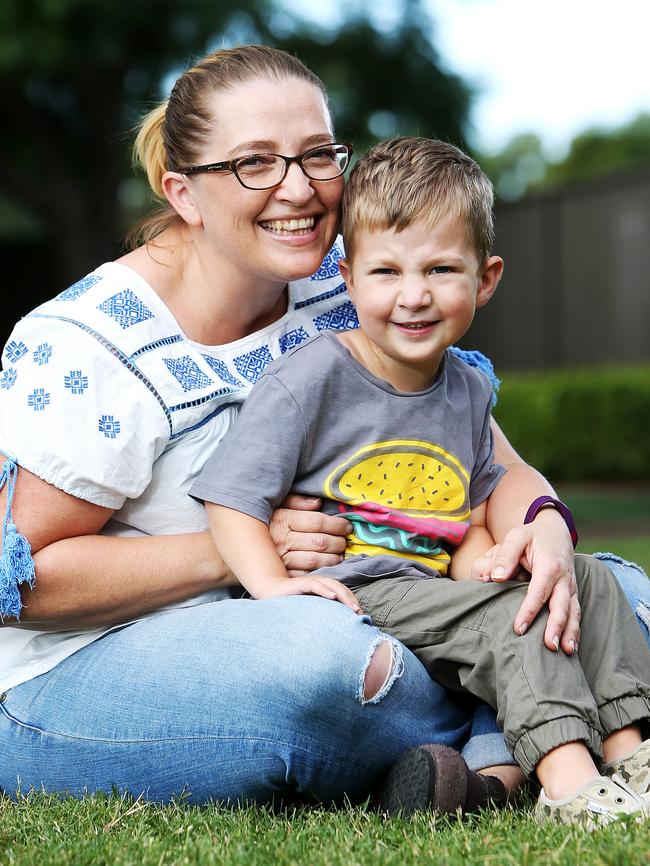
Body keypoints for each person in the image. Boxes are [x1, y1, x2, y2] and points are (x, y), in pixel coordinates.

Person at [0, 45, 647, 811]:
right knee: (332, 666)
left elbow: (493, 462)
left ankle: (476, 773)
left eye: (317, 154)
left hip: (360, 601)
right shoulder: (91, 341)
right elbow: (25, 582)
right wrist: (237, 552)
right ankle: (515, 741)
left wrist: (542, 527)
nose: (299, 189)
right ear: (183, 192)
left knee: (612, 590)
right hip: (89, 670)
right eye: (254, 164)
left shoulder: (341, 277)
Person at [193, 136, 650, 827]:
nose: (413, 296)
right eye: (386, 272)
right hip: (362, 592)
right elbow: (230, 497)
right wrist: (275, 586)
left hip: (435, 588)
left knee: (588, 579)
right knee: (513, 616)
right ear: (348, 279)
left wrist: (498, 557)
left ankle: (628, 752)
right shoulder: (314, 377)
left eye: (440, 269)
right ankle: (569, 786)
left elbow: (472, 507)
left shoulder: (466, 387)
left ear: (485, 279)